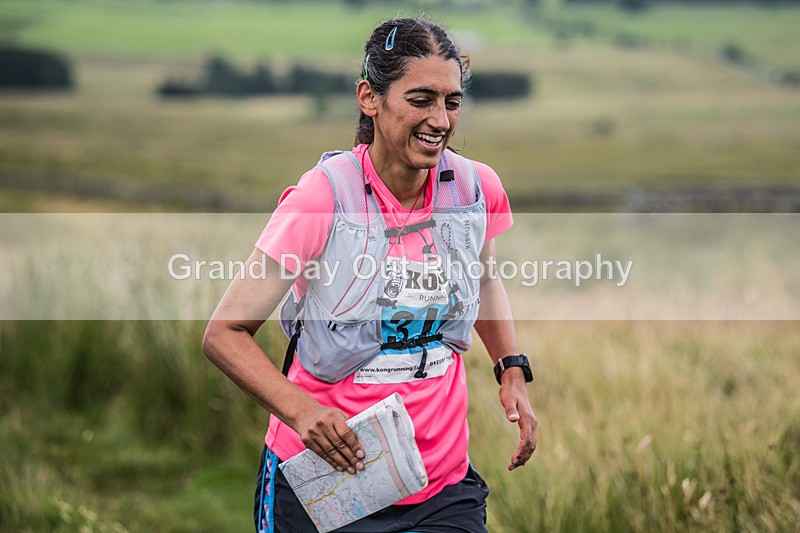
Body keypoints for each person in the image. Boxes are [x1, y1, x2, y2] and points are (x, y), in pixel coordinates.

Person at [203, 17, 537, 533]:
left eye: (452, 101)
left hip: (440, 488)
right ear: (369, 98)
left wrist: (510, 368)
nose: (441, 120)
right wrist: (300, 411)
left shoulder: (473, 188)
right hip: (325, 484)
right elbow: (224, 333)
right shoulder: (322, 197)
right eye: (421, 99)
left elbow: (485, 282)